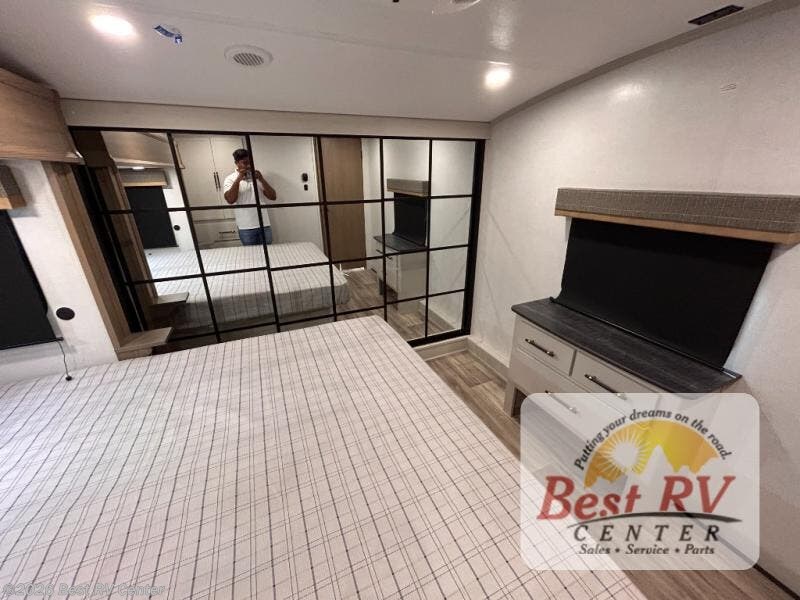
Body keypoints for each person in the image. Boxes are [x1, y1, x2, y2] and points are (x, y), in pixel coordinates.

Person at [223, 148, 277, 245]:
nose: (248, 165)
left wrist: (261, 179)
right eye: (245, 163)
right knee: (251, 254)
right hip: (246, 227)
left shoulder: (257, 176)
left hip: (264, 224)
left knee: (269, 252)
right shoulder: (230, 179)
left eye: (250, 162)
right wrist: (238, 179)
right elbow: (230, 200)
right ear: (236, 163)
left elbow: (273, 197)